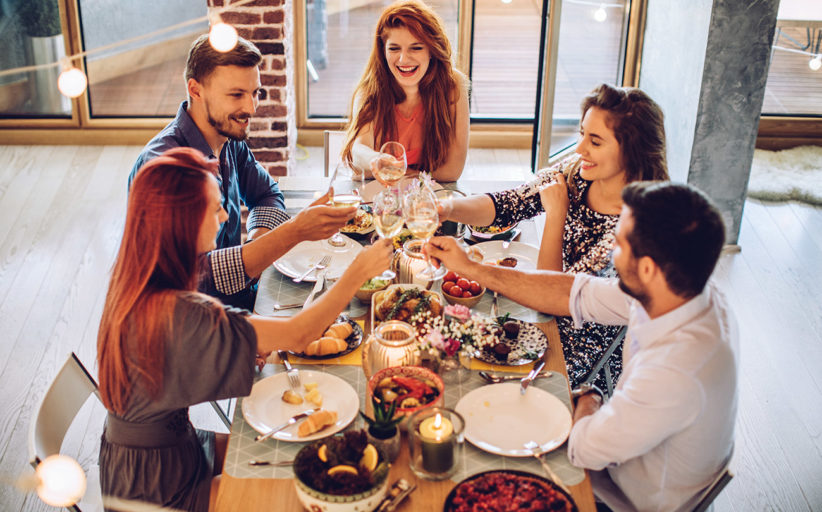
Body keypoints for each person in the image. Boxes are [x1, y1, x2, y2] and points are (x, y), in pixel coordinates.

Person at [99, 148, 393, 512]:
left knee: (294, 453)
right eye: (216, 208)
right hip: (154, 493)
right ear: (183, 223)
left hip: (154, 456)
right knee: (289, 489)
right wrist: (357, 273)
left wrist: (232, 348)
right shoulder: (179, 314)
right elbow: (300, 334)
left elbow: (179, 360)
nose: (225, 217)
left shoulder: (137, 276)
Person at [427, 181, 737, 511]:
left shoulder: (675, 372)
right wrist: (472, 268)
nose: (612, 249)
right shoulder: (681, 289)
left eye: (618, 243)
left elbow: (584, 449)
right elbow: (572, 292)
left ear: (647, 268)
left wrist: (590, 395)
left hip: (620, 497)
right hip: (626, 454)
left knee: (464, 464)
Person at [440, 83, 669, 389]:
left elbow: (556, 296)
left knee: (474, 370)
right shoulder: (579, 170)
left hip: (582, 347)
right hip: (542, 308)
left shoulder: (633, 226)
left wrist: (555, 215)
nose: (579, 149)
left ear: (632, 150)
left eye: (595, 141)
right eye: (582, 133)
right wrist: (446, 207)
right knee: (451, 340)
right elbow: (509, 203)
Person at [130, 34, 354, 310]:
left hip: (239, 301)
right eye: (236, 94)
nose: (251, 108)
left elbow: (266, 194)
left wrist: (259, 246)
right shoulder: (167, 169)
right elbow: (195, 276)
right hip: (191, 327)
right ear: (195, 90)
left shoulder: (227, 139)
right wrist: (292, 233)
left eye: (255, 93)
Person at [341, 0, 469, 182]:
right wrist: (376, 160)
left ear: (431, 50)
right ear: (383, 51)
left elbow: (452, 171)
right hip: (378, 201)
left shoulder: (453, 85)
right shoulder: (369, 90)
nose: (403, 59)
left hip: (428, 203)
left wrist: (399, 174)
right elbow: (358, 151)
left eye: (416, 48)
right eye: (394, 48)